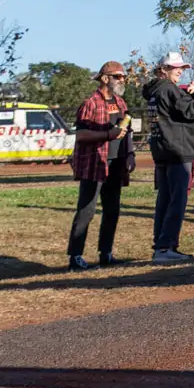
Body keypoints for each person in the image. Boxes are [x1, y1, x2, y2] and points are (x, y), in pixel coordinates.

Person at [143, 51, 194, 261]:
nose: (180, 71)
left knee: (165, 199)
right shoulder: (169, 89)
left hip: (162, 150)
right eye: (176, 67)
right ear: (164, 70)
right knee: (177, 200)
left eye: (182, 68)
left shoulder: (156, 91)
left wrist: (190, 94)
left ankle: (160, 246)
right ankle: (166, 246)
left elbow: (177, 110)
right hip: (177, 151)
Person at [67, 61, 134, 271]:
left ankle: (106, 254)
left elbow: (127, 132)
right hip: (94, 163)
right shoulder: (91, 103)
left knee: (112, 210)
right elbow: (81, 135)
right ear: (105, 79)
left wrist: (130, 154)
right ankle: (75, 257)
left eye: (123, 77)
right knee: (86, 210)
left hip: (115, 164)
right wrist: (107, 134)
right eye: (118, 76)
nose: (122, 80)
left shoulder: (121, 103)